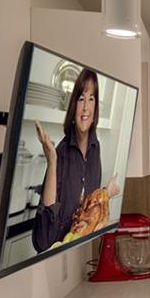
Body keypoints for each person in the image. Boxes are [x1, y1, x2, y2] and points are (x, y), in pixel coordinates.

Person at [31, 68, 120, 252]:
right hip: (56, 258)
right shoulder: (60, 153)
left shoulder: (95, 148)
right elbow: (43, 241)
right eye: (81, 99)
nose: (86, 107)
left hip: (80, 253)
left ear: (95, 108)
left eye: (91, 99)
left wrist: (105, 194)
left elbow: (88, 213)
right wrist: (52, 162)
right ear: (73, 107)